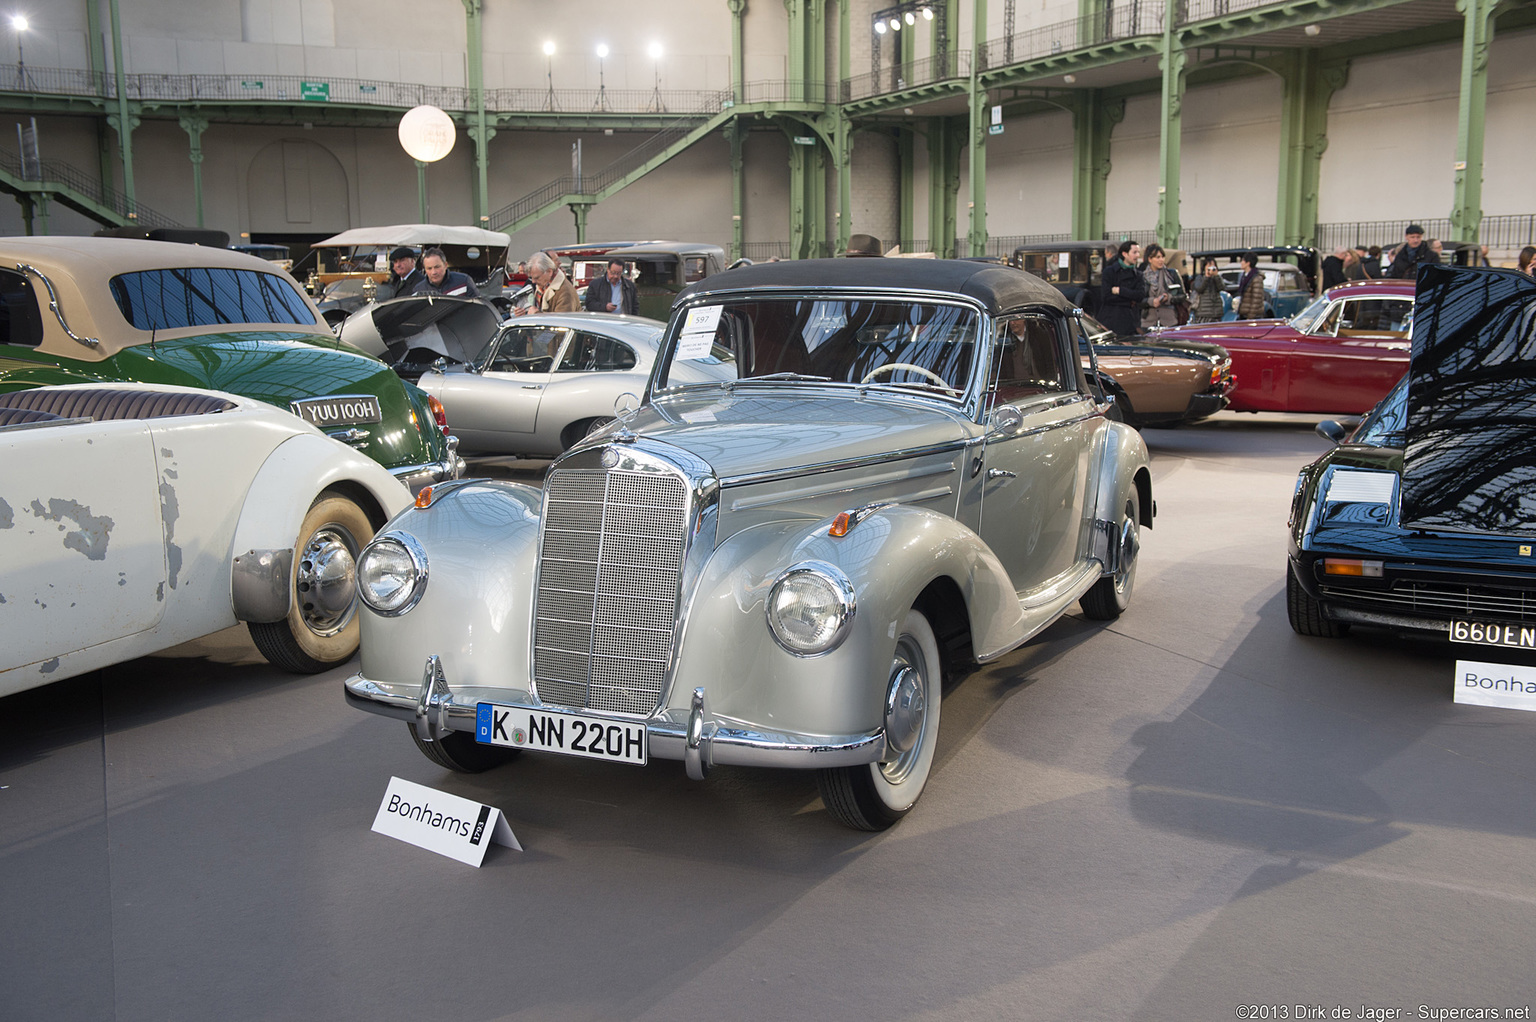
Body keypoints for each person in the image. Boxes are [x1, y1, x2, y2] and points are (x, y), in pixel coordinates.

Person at [1098, 240, 1145, 337]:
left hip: (1130, 322)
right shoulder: (1109, 272)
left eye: (1138, 252)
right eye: (1134, 252)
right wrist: (1129, 301)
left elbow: (1140, 295)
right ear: (1124, 254)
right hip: (1111, 320)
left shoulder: (1138, 275)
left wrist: (1120, 291)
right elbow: (1106, 296)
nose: (1137, 255)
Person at [514, 250, 578, 315]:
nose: (533, 281)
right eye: (531, 277)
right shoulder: (543, 286)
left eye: (537, 277)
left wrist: (536, 315)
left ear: (549, 271)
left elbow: (561, 322)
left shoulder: (565, 291)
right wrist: (523, 314)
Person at [1140, 244, 1183, 329]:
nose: (1161, 260)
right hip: (1149, 322)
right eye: (1157, 257)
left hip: (1169, 321)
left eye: (1162, 257)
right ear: (1150, 259)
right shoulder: (1142, 276)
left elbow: (1183, 296)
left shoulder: (1172, 274)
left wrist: (1169, 298)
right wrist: (1151, 301)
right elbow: (1138, 299)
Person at [412, 247, 479, 297]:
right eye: (429, 268)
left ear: (445, 265)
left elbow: (479, 308)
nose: (433, 272)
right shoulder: (419, 290)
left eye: (437, 267)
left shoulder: (464, 281)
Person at [1190, 258, 1226, 323]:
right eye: (1209, 266)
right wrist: (1206, 277)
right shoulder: (1200, 277)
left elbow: (1221, 287)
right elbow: (1199, 289)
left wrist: (1216, 276)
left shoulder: (1217, 277)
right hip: (1203, 312)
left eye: (1213, 266)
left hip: (1216, 312)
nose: (1211, 268)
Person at [1234, 252, 1266, 320]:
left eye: (1243, 261)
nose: (1241, 263)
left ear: (1248, 263)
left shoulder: (1256, 278)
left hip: (1253, 316)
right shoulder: (1244, 276)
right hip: (1244, 314)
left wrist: (1250, 317)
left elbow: (1256, 300)